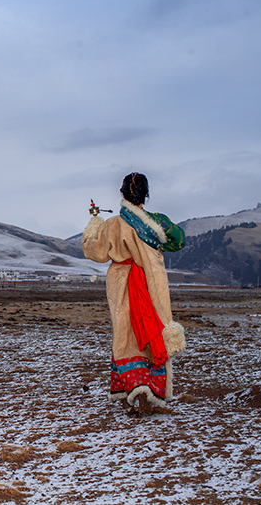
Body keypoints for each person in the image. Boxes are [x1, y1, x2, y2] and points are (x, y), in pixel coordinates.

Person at [82, 172, 186, 417]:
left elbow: (93, 251)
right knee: (152, 330)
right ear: (146, 194)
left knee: (126, 334)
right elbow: (178, 240)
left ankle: (131, 390)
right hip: (152, 282)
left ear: (122, 194)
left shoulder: (114, 224)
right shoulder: (157, 222)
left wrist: (94, 223)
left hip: (121, 284)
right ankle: (151, 388)